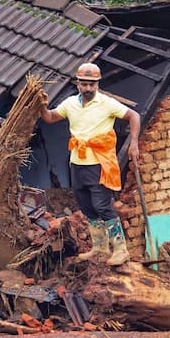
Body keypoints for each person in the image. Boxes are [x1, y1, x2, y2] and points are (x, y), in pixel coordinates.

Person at [39, 63, 140, 266]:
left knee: (102, 205)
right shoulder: (70, 104)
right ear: (78, 83)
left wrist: (134, 143)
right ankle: (100, 248)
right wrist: (41, 106)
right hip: (77, 162)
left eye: (92, 85)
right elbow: (50, 118)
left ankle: (121, 250)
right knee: (86, 205)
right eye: (84, 84)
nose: (88, 89)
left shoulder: (106, 103)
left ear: (97, 84)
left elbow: (133, 116)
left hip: (99, 163)